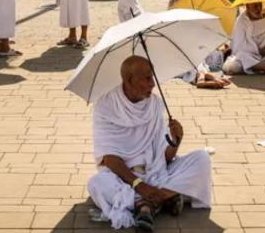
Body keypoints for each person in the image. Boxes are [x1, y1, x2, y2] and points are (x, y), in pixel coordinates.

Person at [87, 56, 212, 231]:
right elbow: (110, 160)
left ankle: (146, 206)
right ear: (129, 80)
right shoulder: (105, 106)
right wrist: (141, 186)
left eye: (152, 77)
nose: (152, 84)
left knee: (202, 159)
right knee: (97, 183)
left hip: (156, 172)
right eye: (146, 78)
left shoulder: (154, 105)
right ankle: (166, 197)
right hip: (124, 177)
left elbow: (165, 158)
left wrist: (176, 141)